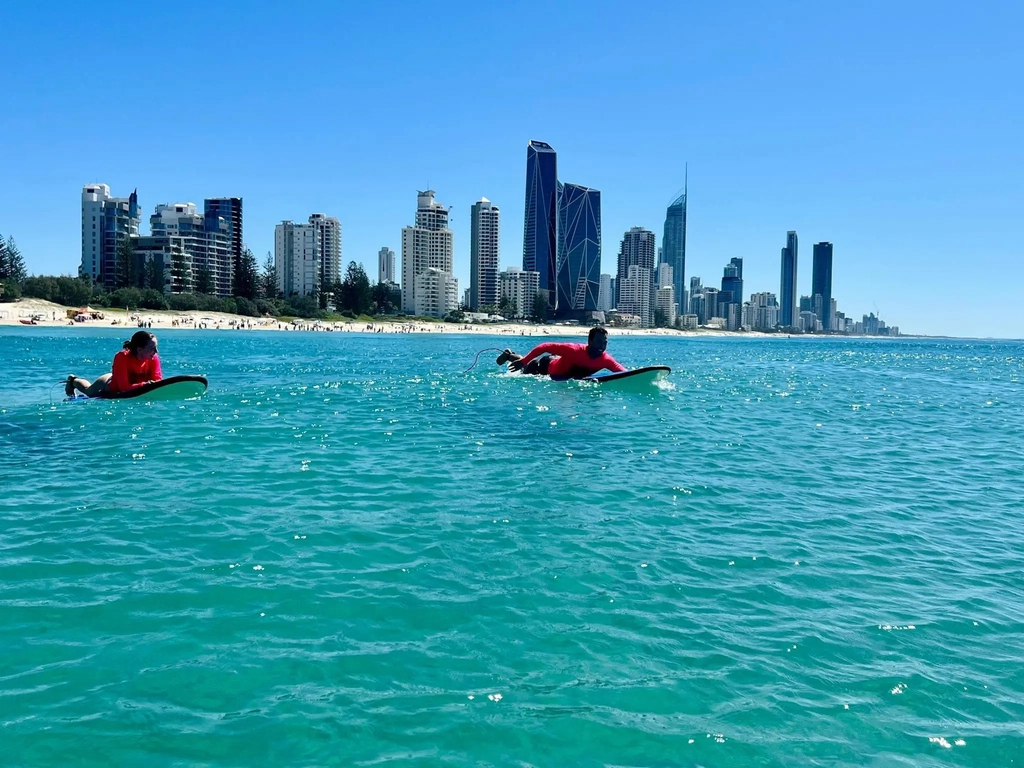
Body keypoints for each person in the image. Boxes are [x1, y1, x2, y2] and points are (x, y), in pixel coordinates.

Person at [496, 326, 626, 380]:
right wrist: (523, 362)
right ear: (590, 341)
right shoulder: (573, 349)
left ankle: (513, 356)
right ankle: (508, 355)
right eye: (598, 342)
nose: (602, 346)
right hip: (545, 366)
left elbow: (624, 373)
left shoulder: (605, 360)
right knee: (526, 366)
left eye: (605, 343)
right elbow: (544, 346)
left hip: (563, 371)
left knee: (526, 363)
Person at [65, 331, 163, 398]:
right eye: (152, 348)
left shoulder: (153, 358)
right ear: (139, 349)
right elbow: (123, 387)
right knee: (89, 392)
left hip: (133, 387)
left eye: (156, 347)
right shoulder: (121, 357)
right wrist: (145, 384)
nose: (156, 351)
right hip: (107, 384)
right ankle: (73, 381)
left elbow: (157, 381)